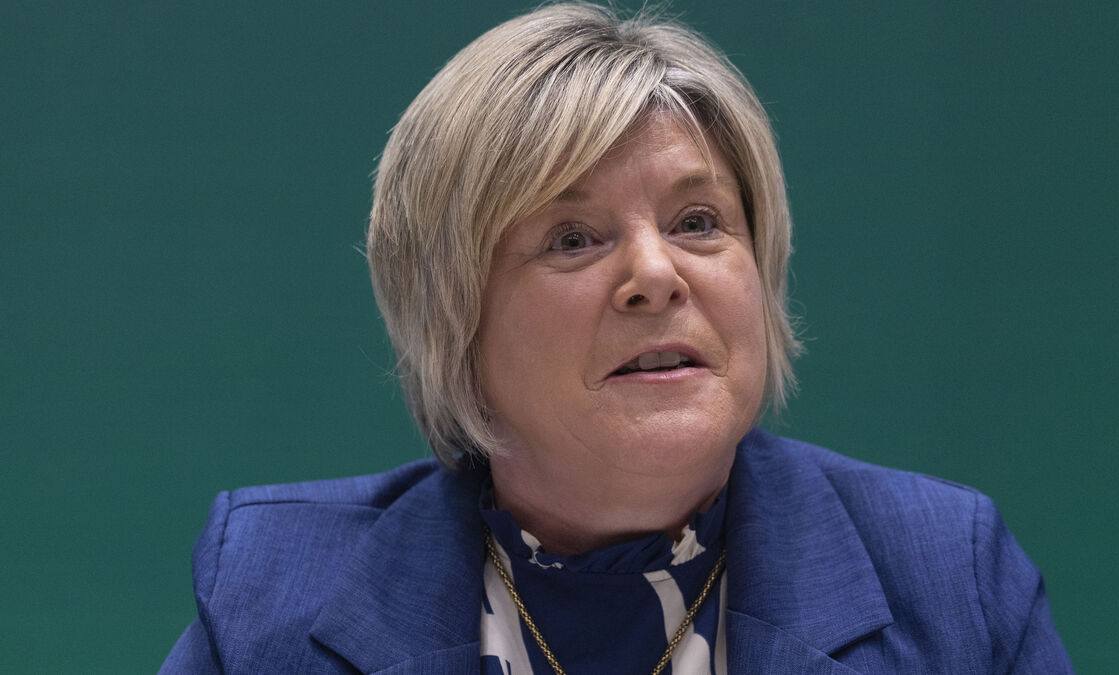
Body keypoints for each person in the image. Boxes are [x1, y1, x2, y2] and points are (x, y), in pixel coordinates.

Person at [161, 3, 1072, 673]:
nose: (657, 274)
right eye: (572, 238)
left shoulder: (949, 579)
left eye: (699, 222)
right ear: (453, 320)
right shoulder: (271, 601)